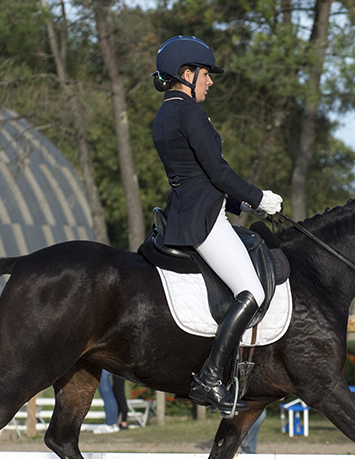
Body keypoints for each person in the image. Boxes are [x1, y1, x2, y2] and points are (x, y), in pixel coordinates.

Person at [151, 36, 283, 416]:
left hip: (187, 209)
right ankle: (210, 377)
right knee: (252, 291)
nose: (210, 82)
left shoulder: (166, 112)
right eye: (206, 74)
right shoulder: (189, 112)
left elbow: (198, 177)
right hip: (203, 220)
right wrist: (259, 197)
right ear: (186, 73)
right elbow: (218, 171)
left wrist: (243, 204)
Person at [93, 370, 122, 434]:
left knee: (106, 396)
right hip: (106, 368)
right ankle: (114, 424)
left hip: (102, 368)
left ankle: (109, 424)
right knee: (110, 396)